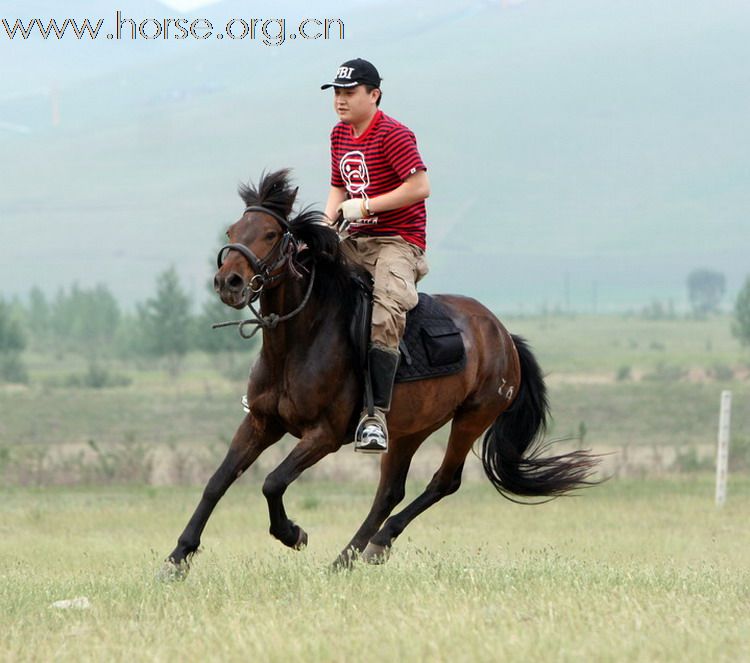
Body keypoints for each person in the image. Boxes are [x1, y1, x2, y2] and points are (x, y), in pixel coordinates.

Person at [321, 58, 430, 453]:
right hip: (355, 240)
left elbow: (420, 187)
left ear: (374, 94)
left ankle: (374, 417)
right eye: (336, 92)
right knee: (303, 275)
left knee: (384, 314)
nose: (340, 100)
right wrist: (326, 223)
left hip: (398, 242)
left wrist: (366, 207)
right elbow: (337, 186)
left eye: (349, 93)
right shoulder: (339, 134)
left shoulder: (394, 135)